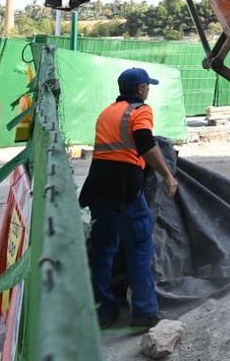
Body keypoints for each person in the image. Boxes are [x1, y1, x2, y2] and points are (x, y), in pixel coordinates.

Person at [79, 68, 178, 329]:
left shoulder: (106, 112)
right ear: (141, 89)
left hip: (97, 186)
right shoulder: (141, 111)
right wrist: (167, 175)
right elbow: (145, 143)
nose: (148, 91)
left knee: (102, 249)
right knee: (140, 247)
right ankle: (144, 313)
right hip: (124, 188)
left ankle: (103, 311)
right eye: (147, 86)